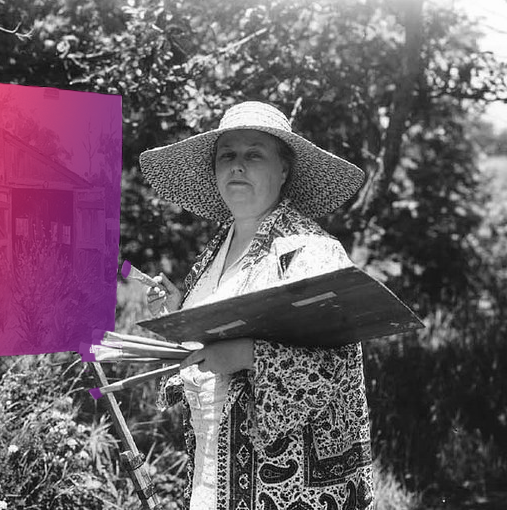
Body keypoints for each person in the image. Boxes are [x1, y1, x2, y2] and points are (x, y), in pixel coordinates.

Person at [138, 101, 375, 510]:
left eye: (254, 154)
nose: (237, 165)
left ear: (284, 171)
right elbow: (207, 349)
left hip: (285, 489)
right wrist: (180, 313)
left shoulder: (311, 250)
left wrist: (246, 354)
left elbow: (336, 362)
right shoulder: (214, 254)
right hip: (211, 470)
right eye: (227, 155)